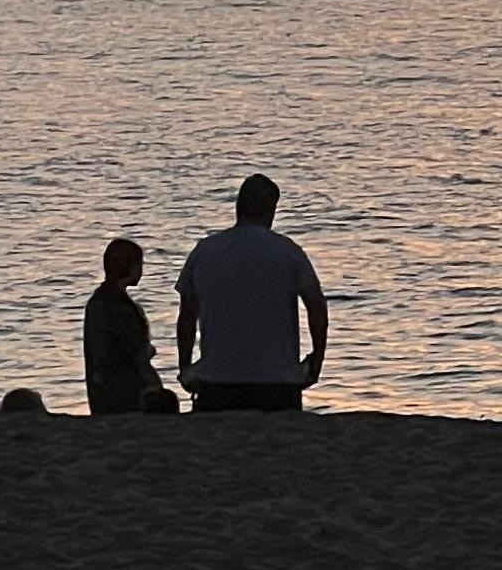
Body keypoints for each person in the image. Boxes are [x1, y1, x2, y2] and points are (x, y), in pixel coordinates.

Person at [175, 173, 328, 414]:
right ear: (271, 210)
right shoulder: (288, 252)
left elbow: (187, 314)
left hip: (217, 381)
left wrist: (185, 365)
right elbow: (316, 305)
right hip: (277, 383)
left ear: (238, 207)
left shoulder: (205, 251)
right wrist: (316, 358)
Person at [83, 235, 179, 415]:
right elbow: (138, 354)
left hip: (102, 389)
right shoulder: (120, 307)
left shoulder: (97, 302)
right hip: (128, 390)